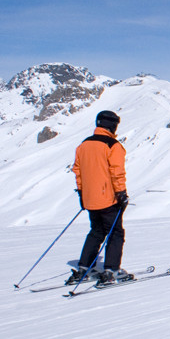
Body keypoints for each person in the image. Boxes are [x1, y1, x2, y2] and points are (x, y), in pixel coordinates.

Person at [67, 110, 131, 286]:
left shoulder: (83, 145)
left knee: (96, 231)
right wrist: (121, 194)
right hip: (109, 199)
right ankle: (111, 271)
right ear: (112, 125)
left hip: (89, 198)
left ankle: (84, 268)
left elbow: (77, 171)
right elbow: (117, 172)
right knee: (115, 233)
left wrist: (82, 193)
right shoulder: (113, 145)